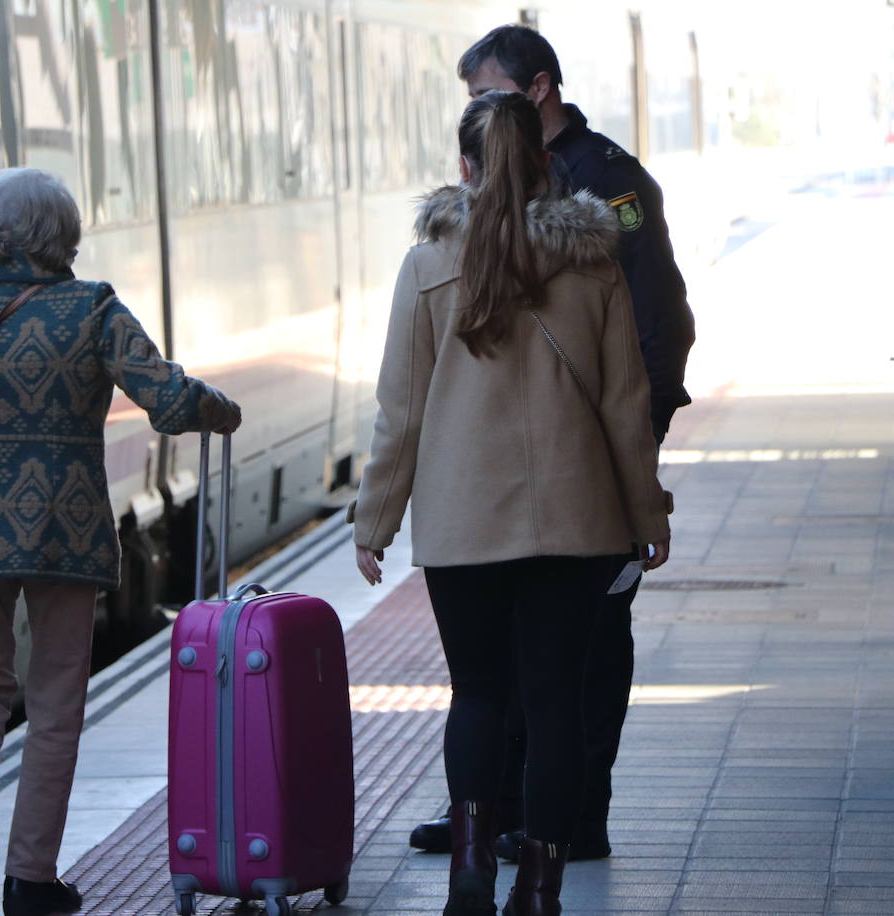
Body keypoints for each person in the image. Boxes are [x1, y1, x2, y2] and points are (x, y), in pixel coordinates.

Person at [0, 167, 241, 916]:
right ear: (64, 235)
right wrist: (220, 410)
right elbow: (171, 402)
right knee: (54, 702)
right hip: (64, 535)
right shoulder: (92, 308)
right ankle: (29, 877)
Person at [351, 92, 670, 915]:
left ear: (465, 166)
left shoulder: (427, 267)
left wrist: (374, 521)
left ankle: (467, 876)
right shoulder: (592, 265)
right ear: (540, 161)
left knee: (479, 696)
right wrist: (648, 516)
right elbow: (625, 406)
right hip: (577, 523)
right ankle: (539, 887)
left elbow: (402, 410)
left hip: (462, 527)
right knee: (556, 702)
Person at [409, 24, 695, 864]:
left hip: (549, 488)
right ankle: (523, 840)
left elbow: (650, 340)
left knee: (532, 683)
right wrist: (642, 503)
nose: (478, 113)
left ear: (533, 93)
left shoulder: (606, 187)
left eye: (485, 95)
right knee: (543, 689)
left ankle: (546, 827)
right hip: (569, 499)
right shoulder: (544, 247)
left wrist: (630, 465)